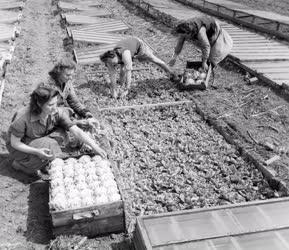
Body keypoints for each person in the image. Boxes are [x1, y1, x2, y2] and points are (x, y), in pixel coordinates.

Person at [6, 86, 107, 178]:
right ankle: (21, 165)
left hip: (37, 138)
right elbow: (15, 143)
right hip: (19, 145)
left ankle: (40, 162)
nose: (54, 107)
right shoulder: (23, 117)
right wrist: (37, 151)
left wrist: (95, 147)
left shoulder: (56, 112)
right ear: (39, 104)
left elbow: (76, 131)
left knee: (61, 137)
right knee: (50, 145)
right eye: (50, 105)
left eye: (55, 103)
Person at [100, 36, 176, 98]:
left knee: (153, 59)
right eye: (108, 62)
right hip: (126, 48)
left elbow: (128, 72)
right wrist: (113, 90)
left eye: (111, 61)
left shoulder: (125, 54)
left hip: (139, 46)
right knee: (122, 69)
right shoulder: (108, 60)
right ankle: (121, 83)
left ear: (114, 56)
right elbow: (112, 74)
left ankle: (171, 73)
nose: (111, 64)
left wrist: (127, 90)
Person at [44, 55, 98, 129]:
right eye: (68, 75)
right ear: (58, 72)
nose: (71, 78)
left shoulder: (67, 82)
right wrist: (74, 122)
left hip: (61, 111)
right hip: (49, 118)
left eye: (72, 75)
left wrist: (87, 114)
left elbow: (74, 102)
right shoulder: (49, 87)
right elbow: (52, 112)